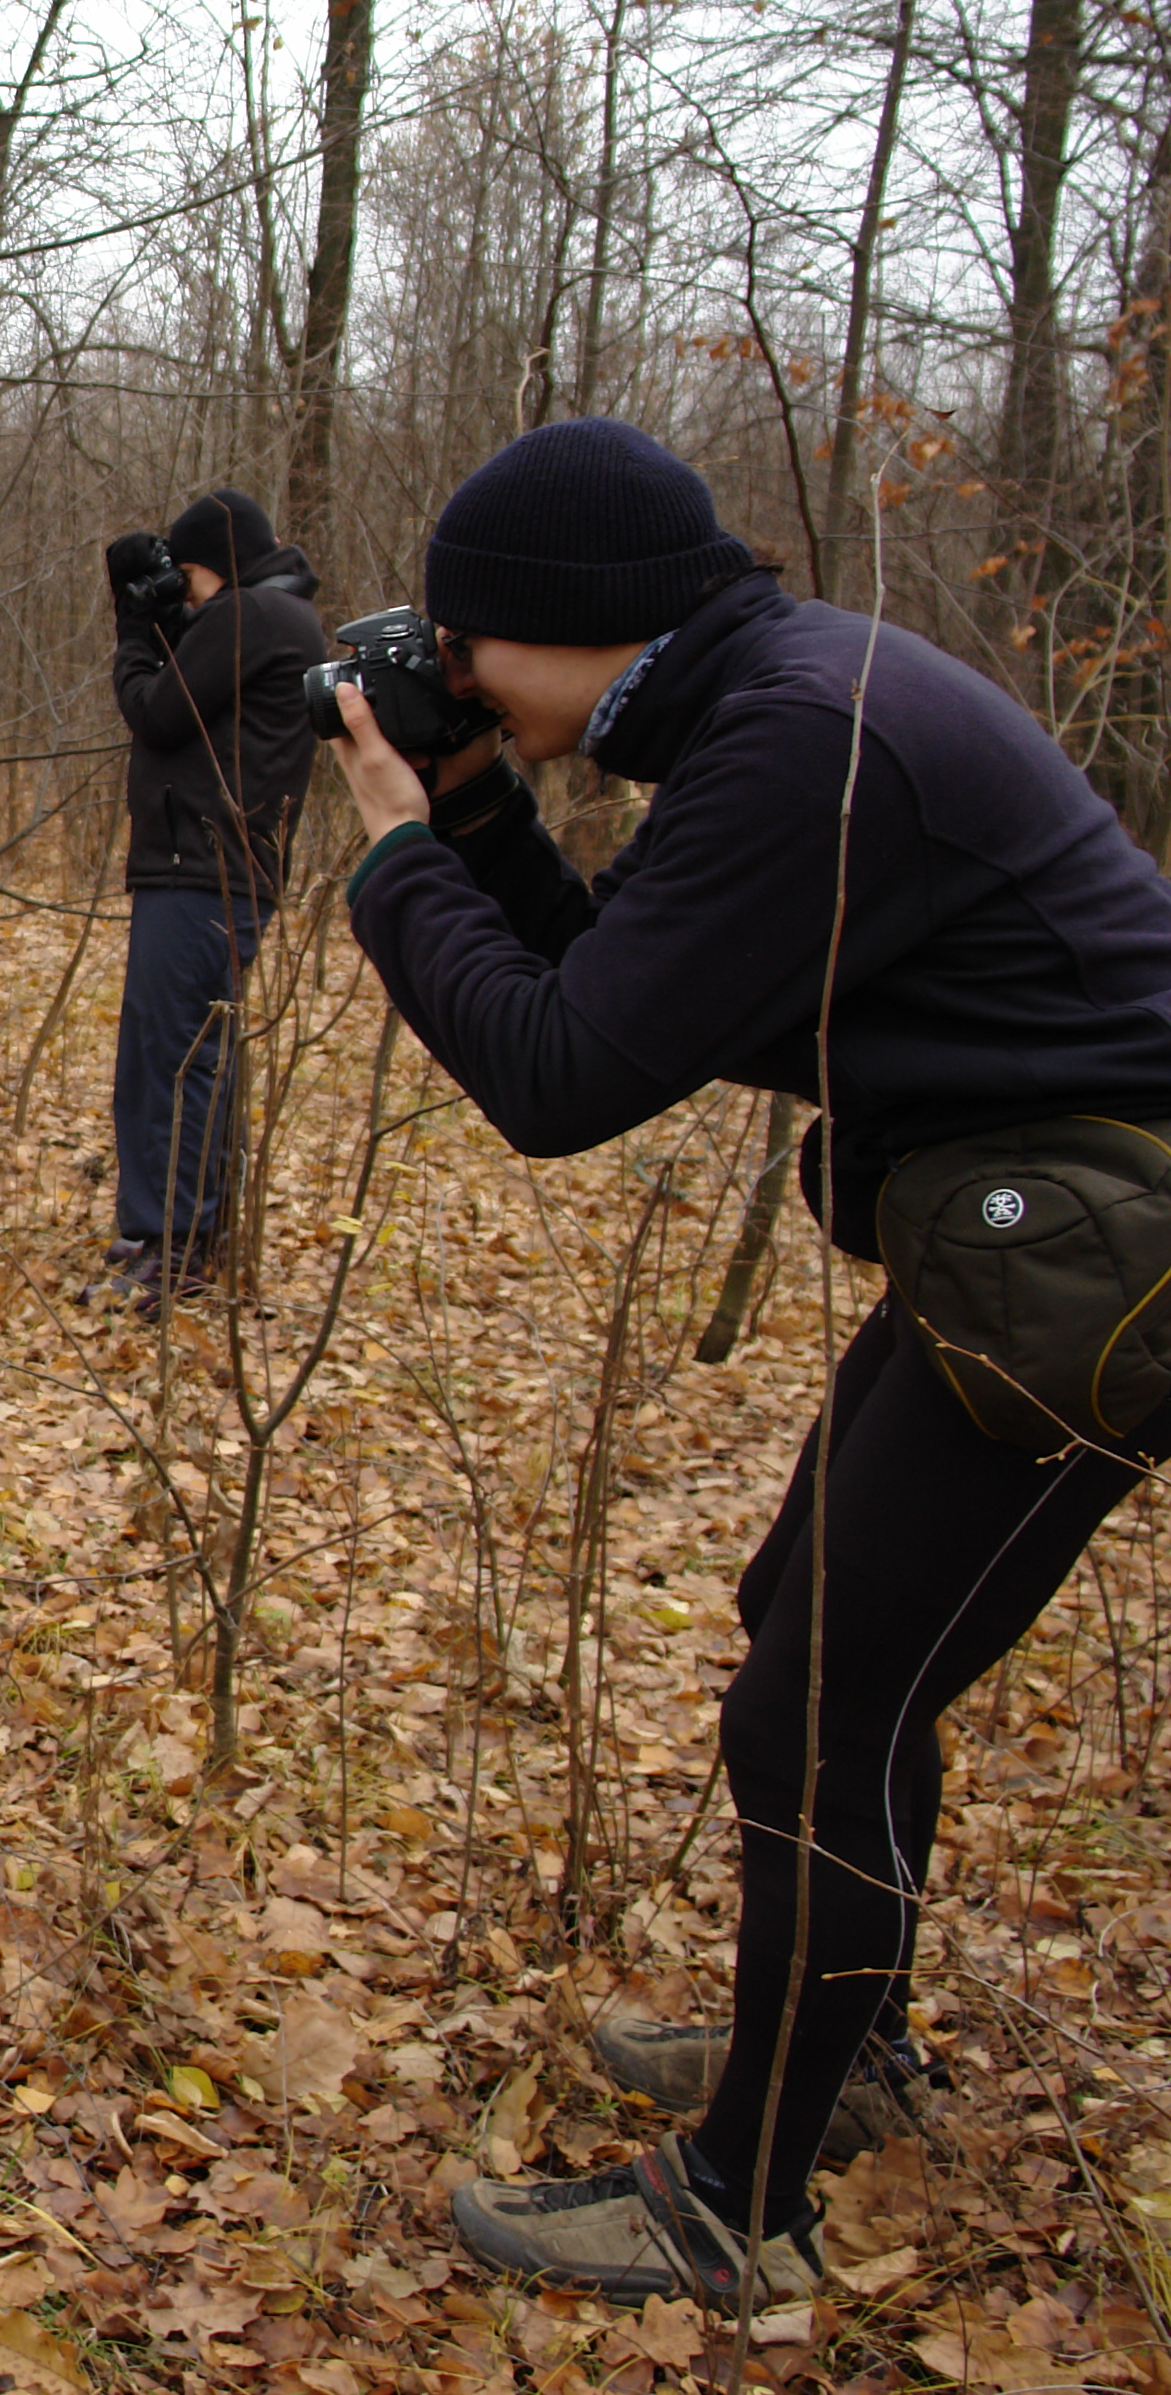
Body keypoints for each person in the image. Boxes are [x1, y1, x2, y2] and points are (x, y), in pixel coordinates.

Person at [323, 416, 1171, 2311]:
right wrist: (475, 814)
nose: (452, 675)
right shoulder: (774, 703)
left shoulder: (801, 739)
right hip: (1037, 1232)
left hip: (1096, 1252)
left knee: (816, 1711)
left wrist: (395, 851)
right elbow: (626, 995)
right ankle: (842, 2062)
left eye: (467, 646)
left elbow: (556, 1077)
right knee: (810, 1631)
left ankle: (737, 2201)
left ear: (577, 614)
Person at [98, 487, 320, 1308]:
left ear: (216, 566)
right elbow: (194, 697)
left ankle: (176, 1246)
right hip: (208, 867)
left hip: (203, 869)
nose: (183, 596)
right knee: (177, 1055)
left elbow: (158, 712)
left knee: (175, 1060)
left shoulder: (251, 615)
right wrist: (163, 623)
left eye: (187, 578)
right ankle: (172, 1234)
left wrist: (134, 630)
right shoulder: (269, 617)